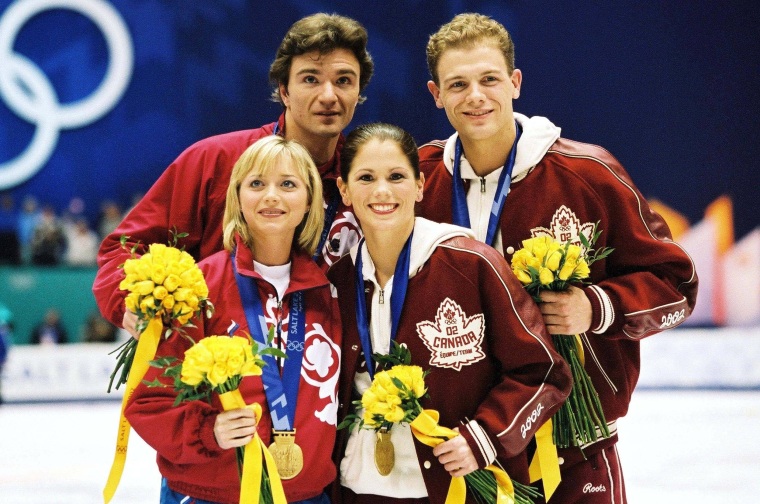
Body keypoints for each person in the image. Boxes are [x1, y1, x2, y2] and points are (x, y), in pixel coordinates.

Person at [416, 13, 699, 504]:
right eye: (457, 84)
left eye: (489, 79)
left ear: (515, 82)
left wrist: (596, 306)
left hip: (574, 438)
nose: (475, 96)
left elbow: (677, 284)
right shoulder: (417, 182)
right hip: (461, 444)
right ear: (436, 94)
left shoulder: (587, 173)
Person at [328, 123, 572, 503]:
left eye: (396, 176)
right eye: (365, 177)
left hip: (454, 487)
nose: (381, 190)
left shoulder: (472, 263)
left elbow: (543, 371)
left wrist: (484, 437)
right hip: (357, 490)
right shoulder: (337, 281)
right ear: (344, 190)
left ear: (421, 185)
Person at [94, 13, 374, 339]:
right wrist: (133, 301)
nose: (328, 96)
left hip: (327, 373)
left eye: (343, 80)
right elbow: (124, 248)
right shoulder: (215, 161)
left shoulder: (366, 178)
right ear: (284, 90)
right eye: (310, 79)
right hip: (222, 376)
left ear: (358, 92)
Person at [126, 136, 342, 504]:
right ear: (237, 197)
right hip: (213, 495)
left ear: (310, 201)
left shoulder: (329, 290)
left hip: (307, 495)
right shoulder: (198, 287)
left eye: (288, 184)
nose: (271, 195)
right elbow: (147, 404)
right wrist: (208, 431)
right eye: (256, 183)